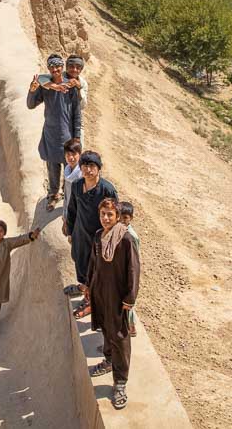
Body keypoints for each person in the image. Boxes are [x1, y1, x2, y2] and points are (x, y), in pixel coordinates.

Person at [87, 197, 140, 410]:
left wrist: (130, 298)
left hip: (118, 296)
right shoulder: (99, 236)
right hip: (100, 292)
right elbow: (94, 262)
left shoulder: (125, 239)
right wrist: (88, 287)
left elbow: (133, 270)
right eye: (103, 214)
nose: (106, 218)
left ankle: (120, 383)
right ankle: (108, 360)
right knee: (106, 330)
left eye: (110, 215)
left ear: (117, 217)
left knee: (120, 337)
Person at [64, 151, 118, 318]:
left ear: (98, 169)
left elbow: (116, 215)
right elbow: (72, 210)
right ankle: (84, 287)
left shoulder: (107, 190)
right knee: (80, 261)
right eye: (84, 166)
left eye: (92, 166)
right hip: (80, 234)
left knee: (95, 267)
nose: (88, 170)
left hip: (98, 238)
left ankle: (91, 300)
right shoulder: (77, 186)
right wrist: (71, 231)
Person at [27, 54, 82, 210]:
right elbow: (31, 105)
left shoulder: (70, 87)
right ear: (49, 68)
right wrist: (32, 91)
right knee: (52, 166)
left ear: (62, 67)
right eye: (52, 67)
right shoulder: (45, 86)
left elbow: (77, 114)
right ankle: (53, 195)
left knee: (69, 167)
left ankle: (67, 196)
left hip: (67, 135)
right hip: (51, 134)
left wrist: (77, 136)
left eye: (58, 66)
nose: (55, 69)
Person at [0, 220, 41, 341]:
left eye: (1, 230)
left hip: (0, 282)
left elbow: (18, 240)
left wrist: (31, 236)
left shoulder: (6, 244)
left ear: (4, 233)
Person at [61, 137, 84, 297]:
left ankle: (84, 288)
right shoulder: (68, 171)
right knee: (76, 254)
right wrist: (64, 218)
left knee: (81, 255)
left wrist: (74, 226)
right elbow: (67, 197)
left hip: (79, 222)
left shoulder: (81, 176)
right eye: (68, 154)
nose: (71, 157)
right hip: (70, 219)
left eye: (74, 154)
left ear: (79, 154)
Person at [117, 200, 140, 337]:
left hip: (127, 275)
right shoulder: (118, 231)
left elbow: (134, 262)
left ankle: (130, 327)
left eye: (125, 218)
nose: (122, 220)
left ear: (131, 218)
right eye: (119, 217)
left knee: (127, 304)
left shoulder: (131, 237)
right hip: (120, 273)